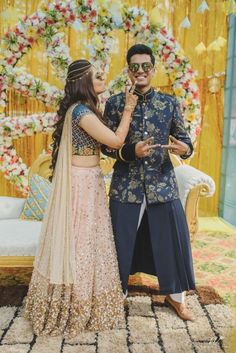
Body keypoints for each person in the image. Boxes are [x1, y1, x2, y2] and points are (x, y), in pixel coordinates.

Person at [24, 59, 138, 337]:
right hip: (81, 185)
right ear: (83, 81)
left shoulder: (85, 110)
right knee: (80, 243)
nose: (102, 78)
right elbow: (115, 141)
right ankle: (73, 305)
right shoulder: (81, 113)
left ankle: (84, 301)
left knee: (87, 242)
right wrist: (128, 109)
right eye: (96, 76)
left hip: (89, 182)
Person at [102, 44, 196, 321]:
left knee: (173, 241)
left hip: (162, 184)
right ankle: (117, 296)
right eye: (135, 67)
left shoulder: (168, 103)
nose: (140, 71)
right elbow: (106, 146)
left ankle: (175, 297)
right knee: (120, 243)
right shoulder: (116, 103)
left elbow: (185, 138)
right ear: (129, 70)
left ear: (153, 69)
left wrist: (185, 149)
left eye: (145, 66)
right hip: (126, 185)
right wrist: (131, 152)